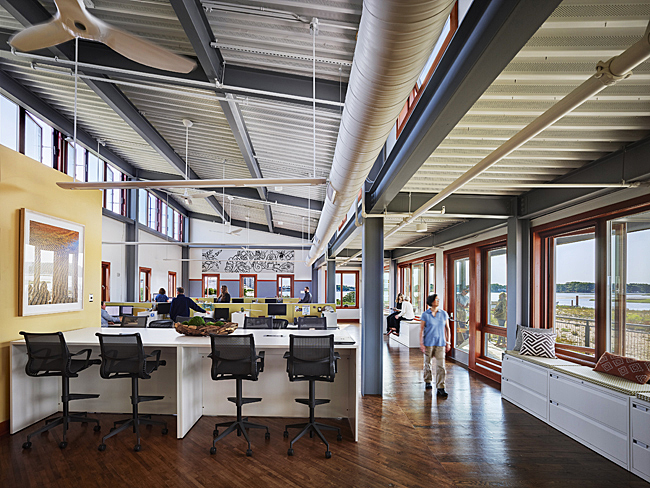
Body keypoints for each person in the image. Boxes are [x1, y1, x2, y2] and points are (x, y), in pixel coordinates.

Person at [420, 294, 451, 397]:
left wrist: (448, 342)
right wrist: (421, 343)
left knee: (441, 366)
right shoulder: (425, 314)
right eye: (436, 299)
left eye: (438, 299)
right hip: (428, 343)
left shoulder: (443, 314)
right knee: (427, 364)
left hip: (440, 343)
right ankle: (428, 380)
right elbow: (421, 330)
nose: (438, 301)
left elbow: (448, 328)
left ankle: (440, 387)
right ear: (431, 301)